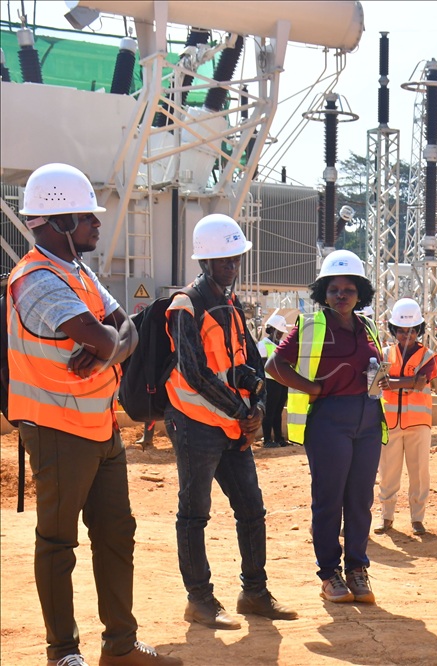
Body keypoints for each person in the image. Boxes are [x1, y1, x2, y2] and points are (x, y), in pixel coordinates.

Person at [7, 163, 180, 665]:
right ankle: (63, 653)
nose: (98, 225)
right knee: (58, 543)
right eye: (88, 216)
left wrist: (109, 346)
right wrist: (110, 344)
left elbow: (129, 328)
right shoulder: (36, 280)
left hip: (101, 426)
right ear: (59, 220)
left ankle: (120, 647)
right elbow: (111, 335)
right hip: (58, 429)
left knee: (115, 534)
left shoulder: (78, 273)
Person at [164, 214, 297, 630]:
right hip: (195, 423)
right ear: (204, 262)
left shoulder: (231, 303)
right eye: (224, 261)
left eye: (235, 259)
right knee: (194, 512)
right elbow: (195, 373)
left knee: (251, 508)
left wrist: (255, 392)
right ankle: (199, 600)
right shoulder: (186, 305)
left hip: (231, 425)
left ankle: (253, 593)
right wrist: (243, 412)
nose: (232, 267)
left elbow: (241, 363)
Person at [266, 250, 386, 604]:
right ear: (323, 293)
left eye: (349, 289)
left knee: (361, 500)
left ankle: (358, 570)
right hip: (328, 422)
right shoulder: (310, 325)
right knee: (329, 500)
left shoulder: (369, 327)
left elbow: (375, 367)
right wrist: (314, 388)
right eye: (334, 289)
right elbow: (275, 365)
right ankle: (329, 573)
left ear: (360, 292)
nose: (342, 295)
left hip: (367, 419)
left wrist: (382, 379)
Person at [374, 298, 437, 536]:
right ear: (394, 330)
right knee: (387, 473)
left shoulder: (429, 356)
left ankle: (417, 518)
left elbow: (421, 381)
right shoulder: (384, 354)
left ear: (419, 330)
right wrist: (406, 383)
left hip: (418, 425)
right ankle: (386, 517)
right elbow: (375, 385)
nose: (407, 335)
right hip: (390, 423)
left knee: (419, 473)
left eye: (412, 330)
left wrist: (390, 383)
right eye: (402, 331)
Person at [257, 313, 289, 448]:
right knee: (269, 411)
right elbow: (264, 366)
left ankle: (279, 438)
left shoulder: (283, 345)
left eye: (282, 332)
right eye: (279, 332)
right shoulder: (263, 344)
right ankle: (267, 440)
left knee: (278, 410)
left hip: (282, 382)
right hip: (270, 382)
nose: (281, 335)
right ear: (272, 330)